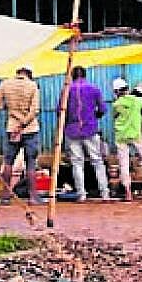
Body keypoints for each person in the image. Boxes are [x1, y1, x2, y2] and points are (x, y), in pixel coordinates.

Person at [0, 65, 43, 205]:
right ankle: (33, 197)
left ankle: (6, 196)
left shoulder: (5, 84)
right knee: (31, 164)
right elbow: (35, 110)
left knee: (8, 162)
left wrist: (10, 110)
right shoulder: (32, 86)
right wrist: (24, 122)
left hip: (12, 128)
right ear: (29, 74)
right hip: (30, 129)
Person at [61, 66, 111, 203]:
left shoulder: (66, 90)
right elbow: (102, 109)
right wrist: (94, 117)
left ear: (72, 76)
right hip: (90, 129)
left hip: (72, 130)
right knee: (97, 161)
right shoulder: (94, 89)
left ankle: (81, 194)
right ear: (85, 75)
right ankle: (104, 193)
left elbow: (61, 112)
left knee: (77, 163)